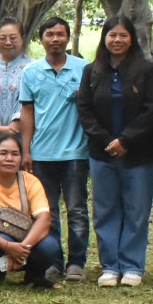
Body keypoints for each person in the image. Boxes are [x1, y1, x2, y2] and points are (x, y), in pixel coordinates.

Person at [77, 15, 153, 287]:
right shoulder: (92, 71)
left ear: (132, 39)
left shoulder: (147, 70)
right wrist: (105, 140)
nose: (117, 40)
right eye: (112, 35)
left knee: (136, 211)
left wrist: (125, 139)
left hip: (138, 153)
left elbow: (152, 109)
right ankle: (110, 266)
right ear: (104, 38)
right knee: (105, 210)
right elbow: (85, 109)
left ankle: (133, 266)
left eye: (123, 35)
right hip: (102, 153)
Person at [17, 16, 91, 281]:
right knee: (47, 212)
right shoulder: (31, 72)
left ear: (68, 38)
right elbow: (27, 112)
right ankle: (53, 262)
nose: (56, 39)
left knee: (77, 210)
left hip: (75, 154)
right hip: (41, 154)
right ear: (41, 39)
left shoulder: (84, 69)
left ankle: (77, 263)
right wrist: (26, 151)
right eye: (50, 34)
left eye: (61, 34)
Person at [0, 131, 63, 287]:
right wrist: (8, 247)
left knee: (50, 246)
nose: (9, 159)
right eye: (3, 153)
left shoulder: (31, 181)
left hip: (26, 240)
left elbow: (44, 220)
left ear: (21, 158)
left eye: (15, 154)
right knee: (5, 238)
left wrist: (23, 248)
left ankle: (34, 275)